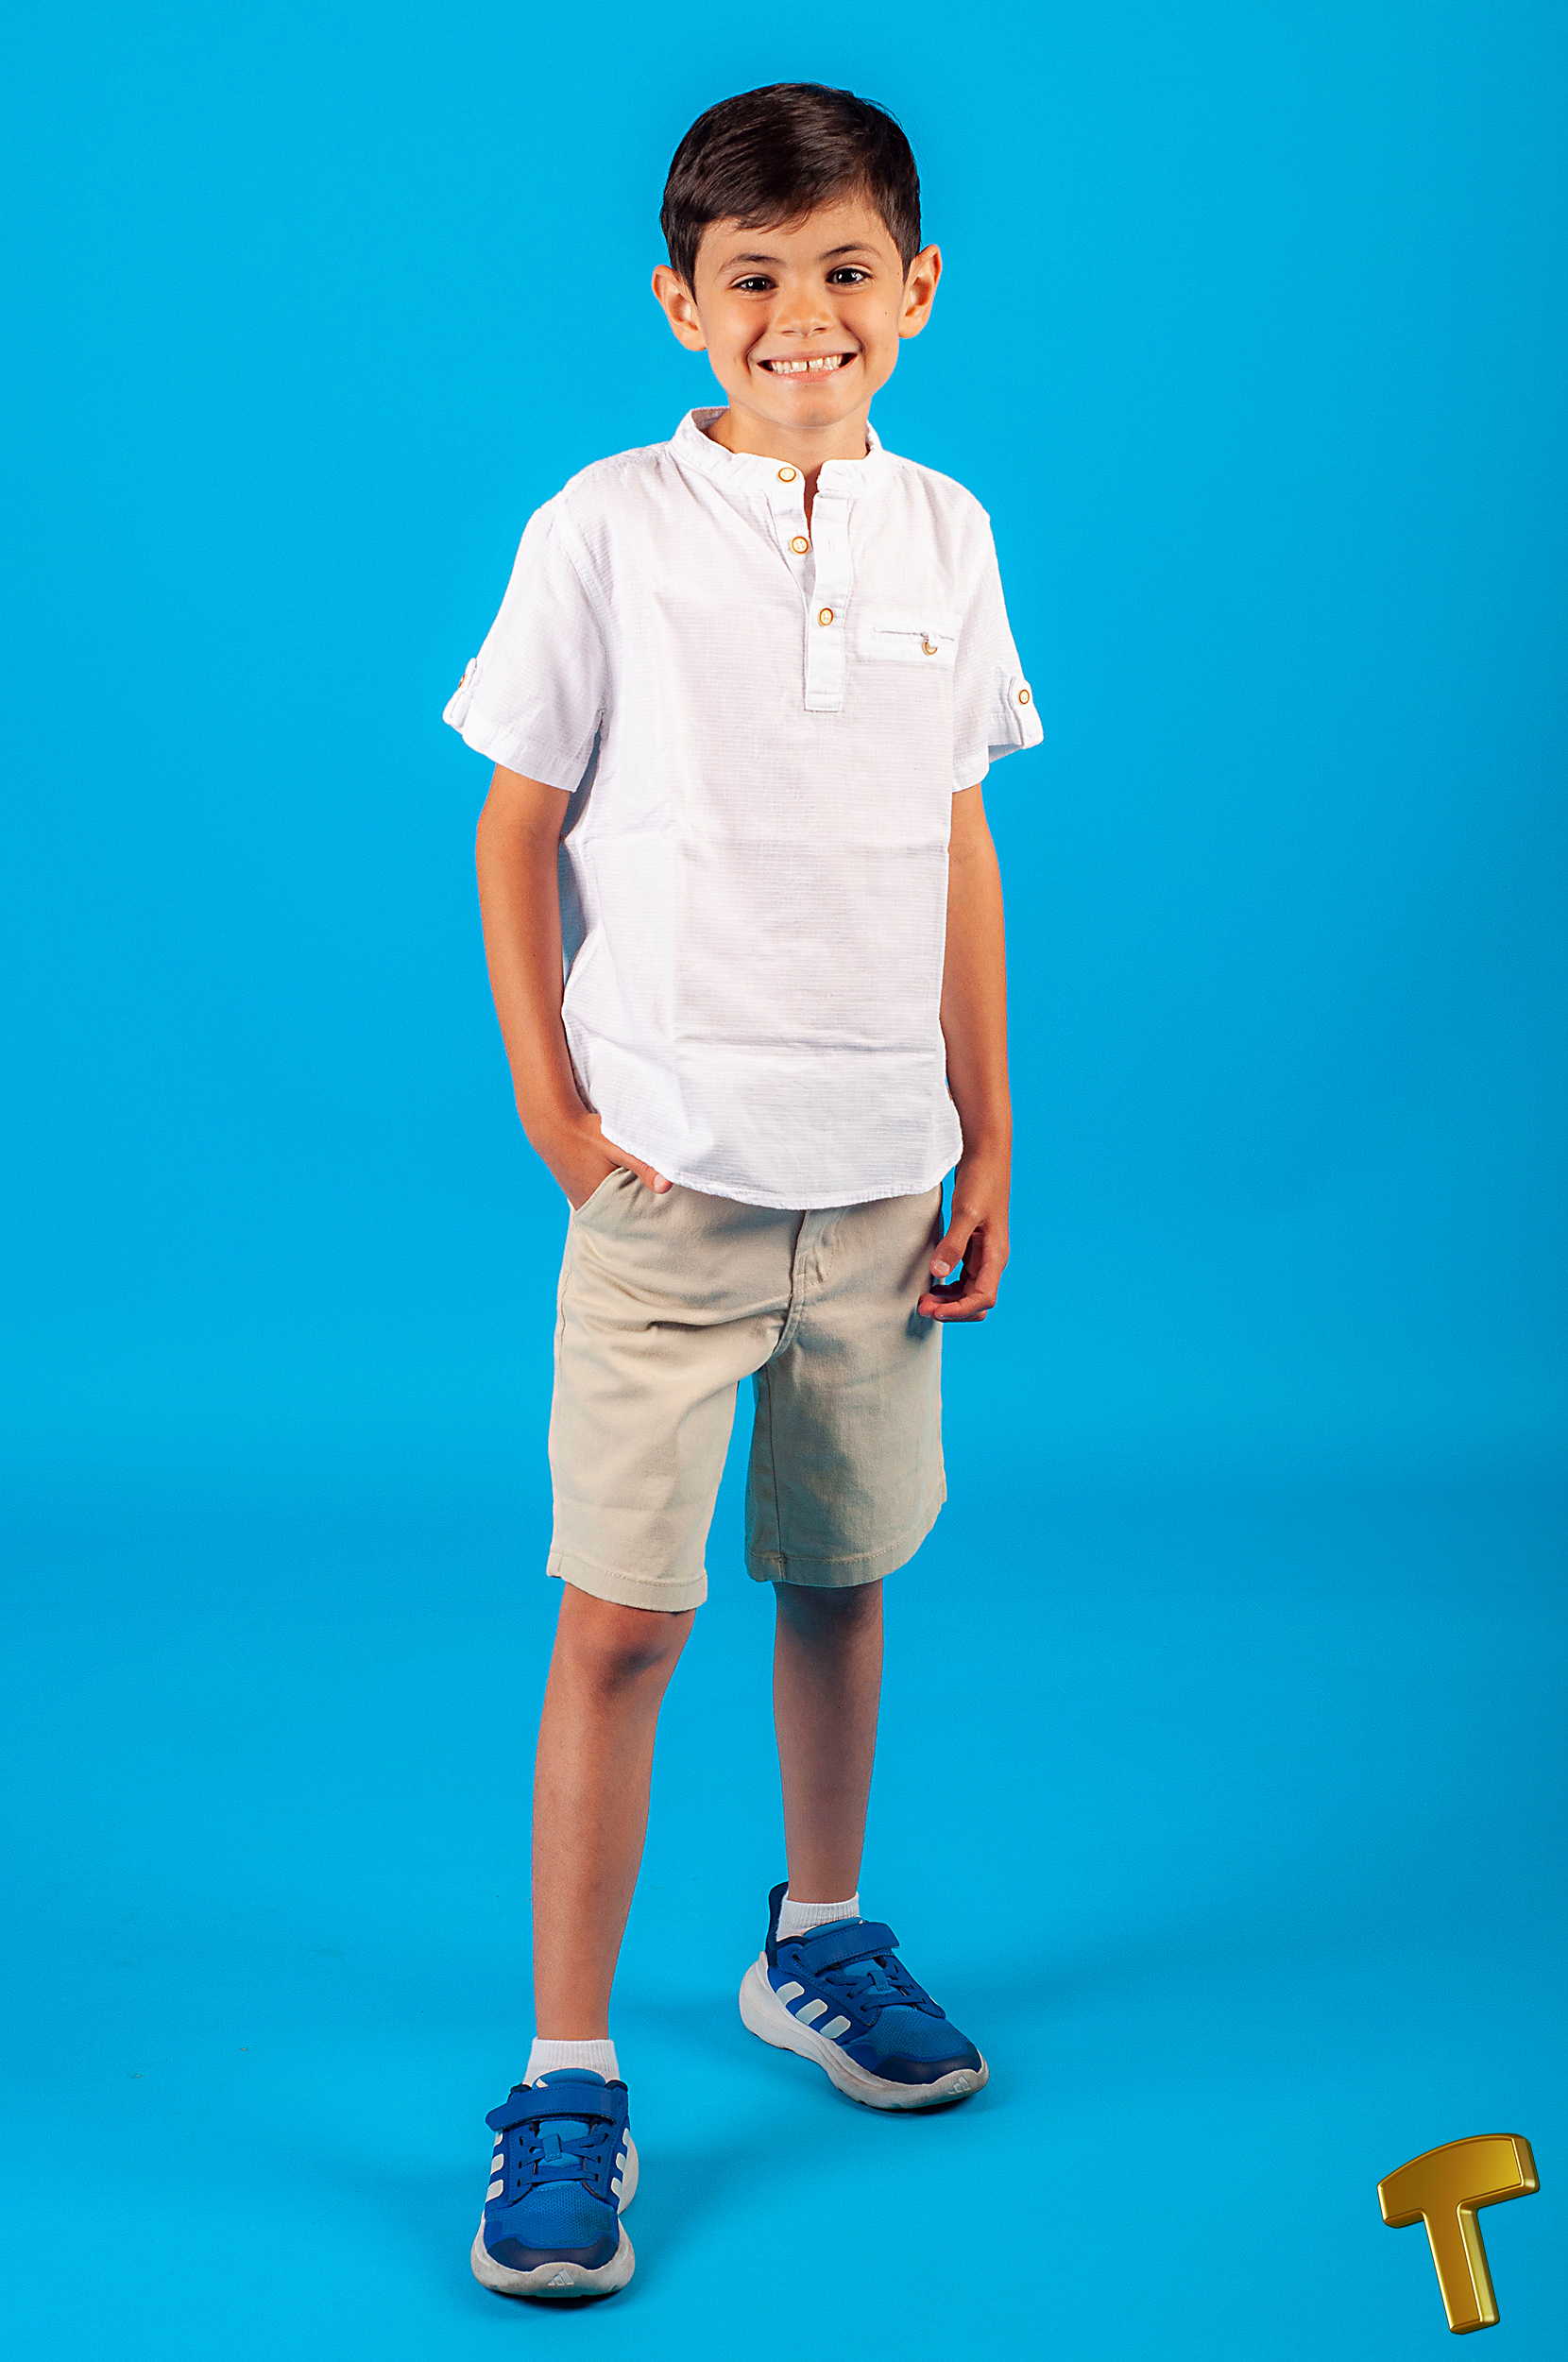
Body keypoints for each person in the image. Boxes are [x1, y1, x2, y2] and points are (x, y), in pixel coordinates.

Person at [444, 80, 1043, 2301]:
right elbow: (516, 821)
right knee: (621, 1617)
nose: (806, 313)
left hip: (880, 1178)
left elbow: (955, 837)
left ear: (918, 286)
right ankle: (566, 2069)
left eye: (846, 269)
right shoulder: (605, 525)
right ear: (681, 303)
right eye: (755, 277)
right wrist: (555, 1108)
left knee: (840, 1569)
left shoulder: (946, 533)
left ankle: (816, 1935)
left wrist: (987, 1125)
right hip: (671, 1182)